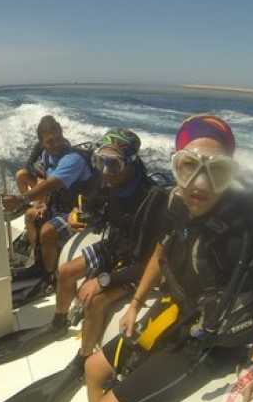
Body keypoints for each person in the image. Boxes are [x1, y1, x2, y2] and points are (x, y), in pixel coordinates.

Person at [59, 115, 253, 402]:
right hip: (176, 318)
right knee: (93, 368)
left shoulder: (248, 232)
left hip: (208, 347)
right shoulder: (177, 204)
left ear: (229, 172)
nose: (200, 184)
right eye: (189, 166)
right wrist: (135, 303)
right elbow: (161, 252)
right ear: (177, 165)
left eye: (216, 171)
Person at [51, 129, 170, 361]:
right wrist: (75, 215)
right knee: (66, 272)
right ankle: (58, 322)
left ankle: (83, 358)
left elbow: (150, 263)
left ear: (131, 163)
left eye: (113, 164)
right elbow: (90, 207)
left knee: (95, 301)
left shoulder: (153, 199)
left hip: (139, 266)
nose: (105, 171)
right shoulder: (107, 182)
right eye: (100, 162)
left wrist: (103, 280)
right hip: (115, 248)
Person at [2, 116, 94, 278]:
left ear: (62, 133)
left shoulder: (73, 159)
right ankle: (39, 259)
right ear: (42, 143)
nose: (56, 144)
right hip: (59, 205)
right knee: (30, 215)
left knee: (47, 231)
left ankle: (48, 275)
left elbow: (53, 183)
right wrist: (43, 203)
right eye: (50, 141)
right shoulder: (46, 155)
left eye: (58, 138)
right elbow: (44, 177)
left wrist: (21, 199)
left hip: (81, 210)